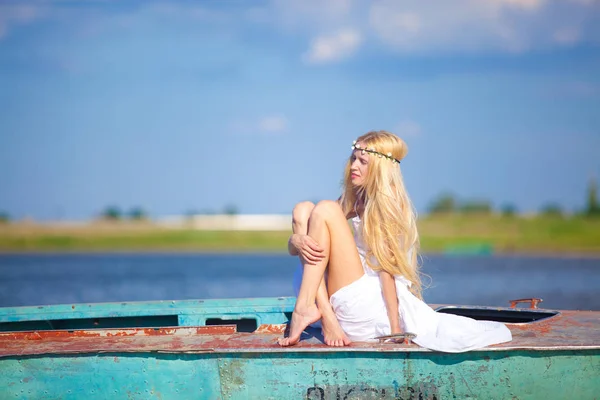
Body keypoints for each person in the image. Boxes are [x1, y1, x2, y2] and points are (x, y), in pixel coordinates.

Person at [279, 130, 512, 352]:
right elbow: (296, 250)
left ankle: (314, 310)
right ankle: (314, 310)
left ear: (379, 168)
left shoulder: (388, 205)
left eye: (363, 161)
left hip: (365, 304)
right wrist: (296, 239)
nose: (354, 166)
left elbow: (386, 271)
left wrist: (394, 328)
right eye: (353, 159)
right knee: (303, 209)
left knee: (325, 209)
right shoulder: (354, 196)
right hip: (337, 291)